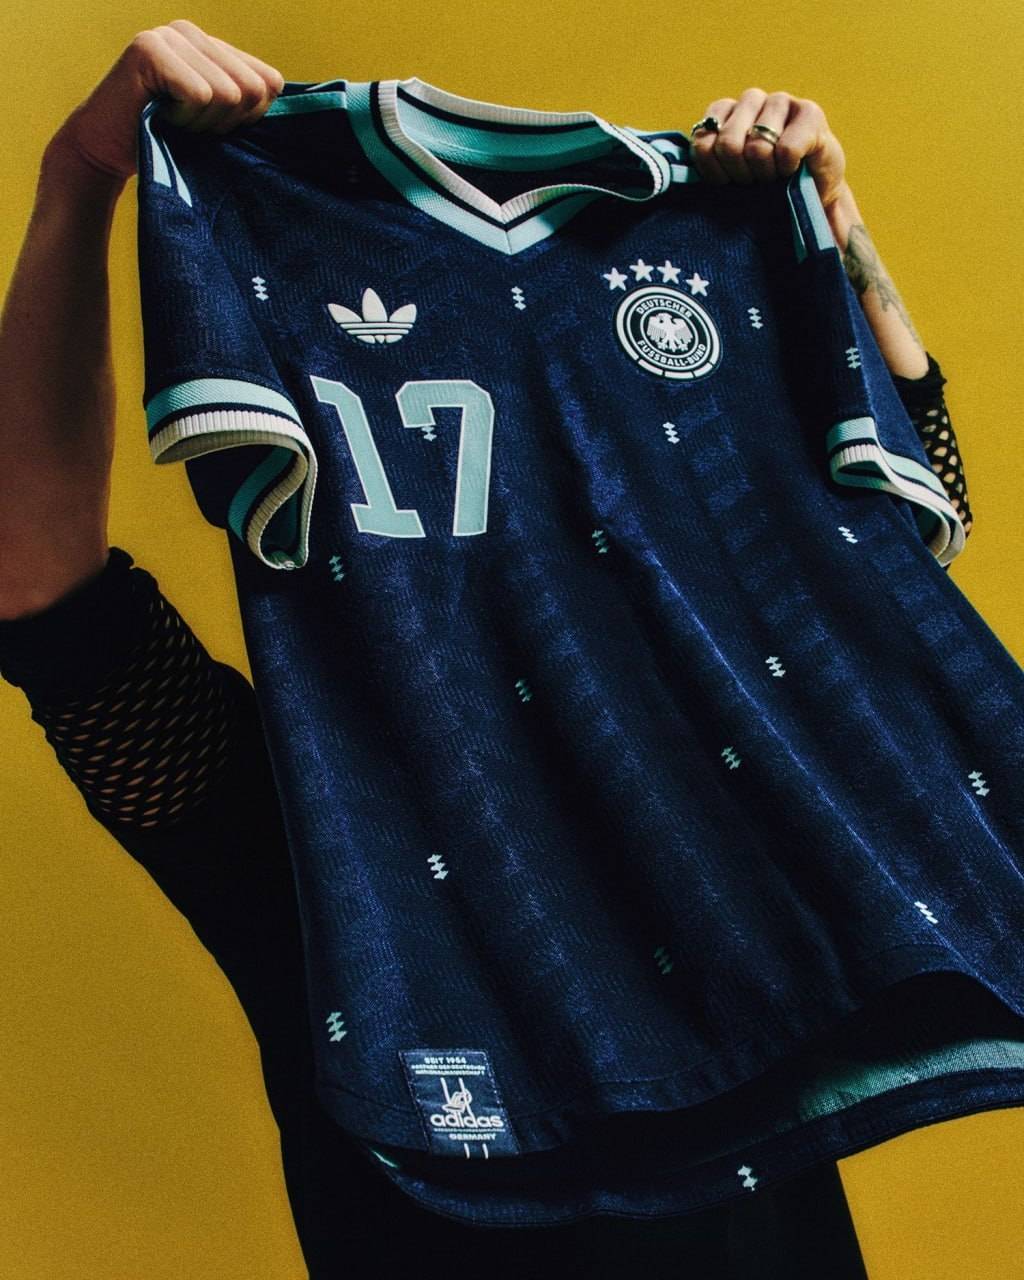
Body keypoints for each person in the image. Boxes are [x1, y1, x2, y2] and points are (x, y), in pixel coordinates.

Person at [0, 21, 975, 1278]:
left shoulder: (725, 768)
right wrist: (78, 180)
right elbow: (43, 597)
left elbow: (888, 552)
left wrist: (827, 229)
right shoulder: (317, 835)